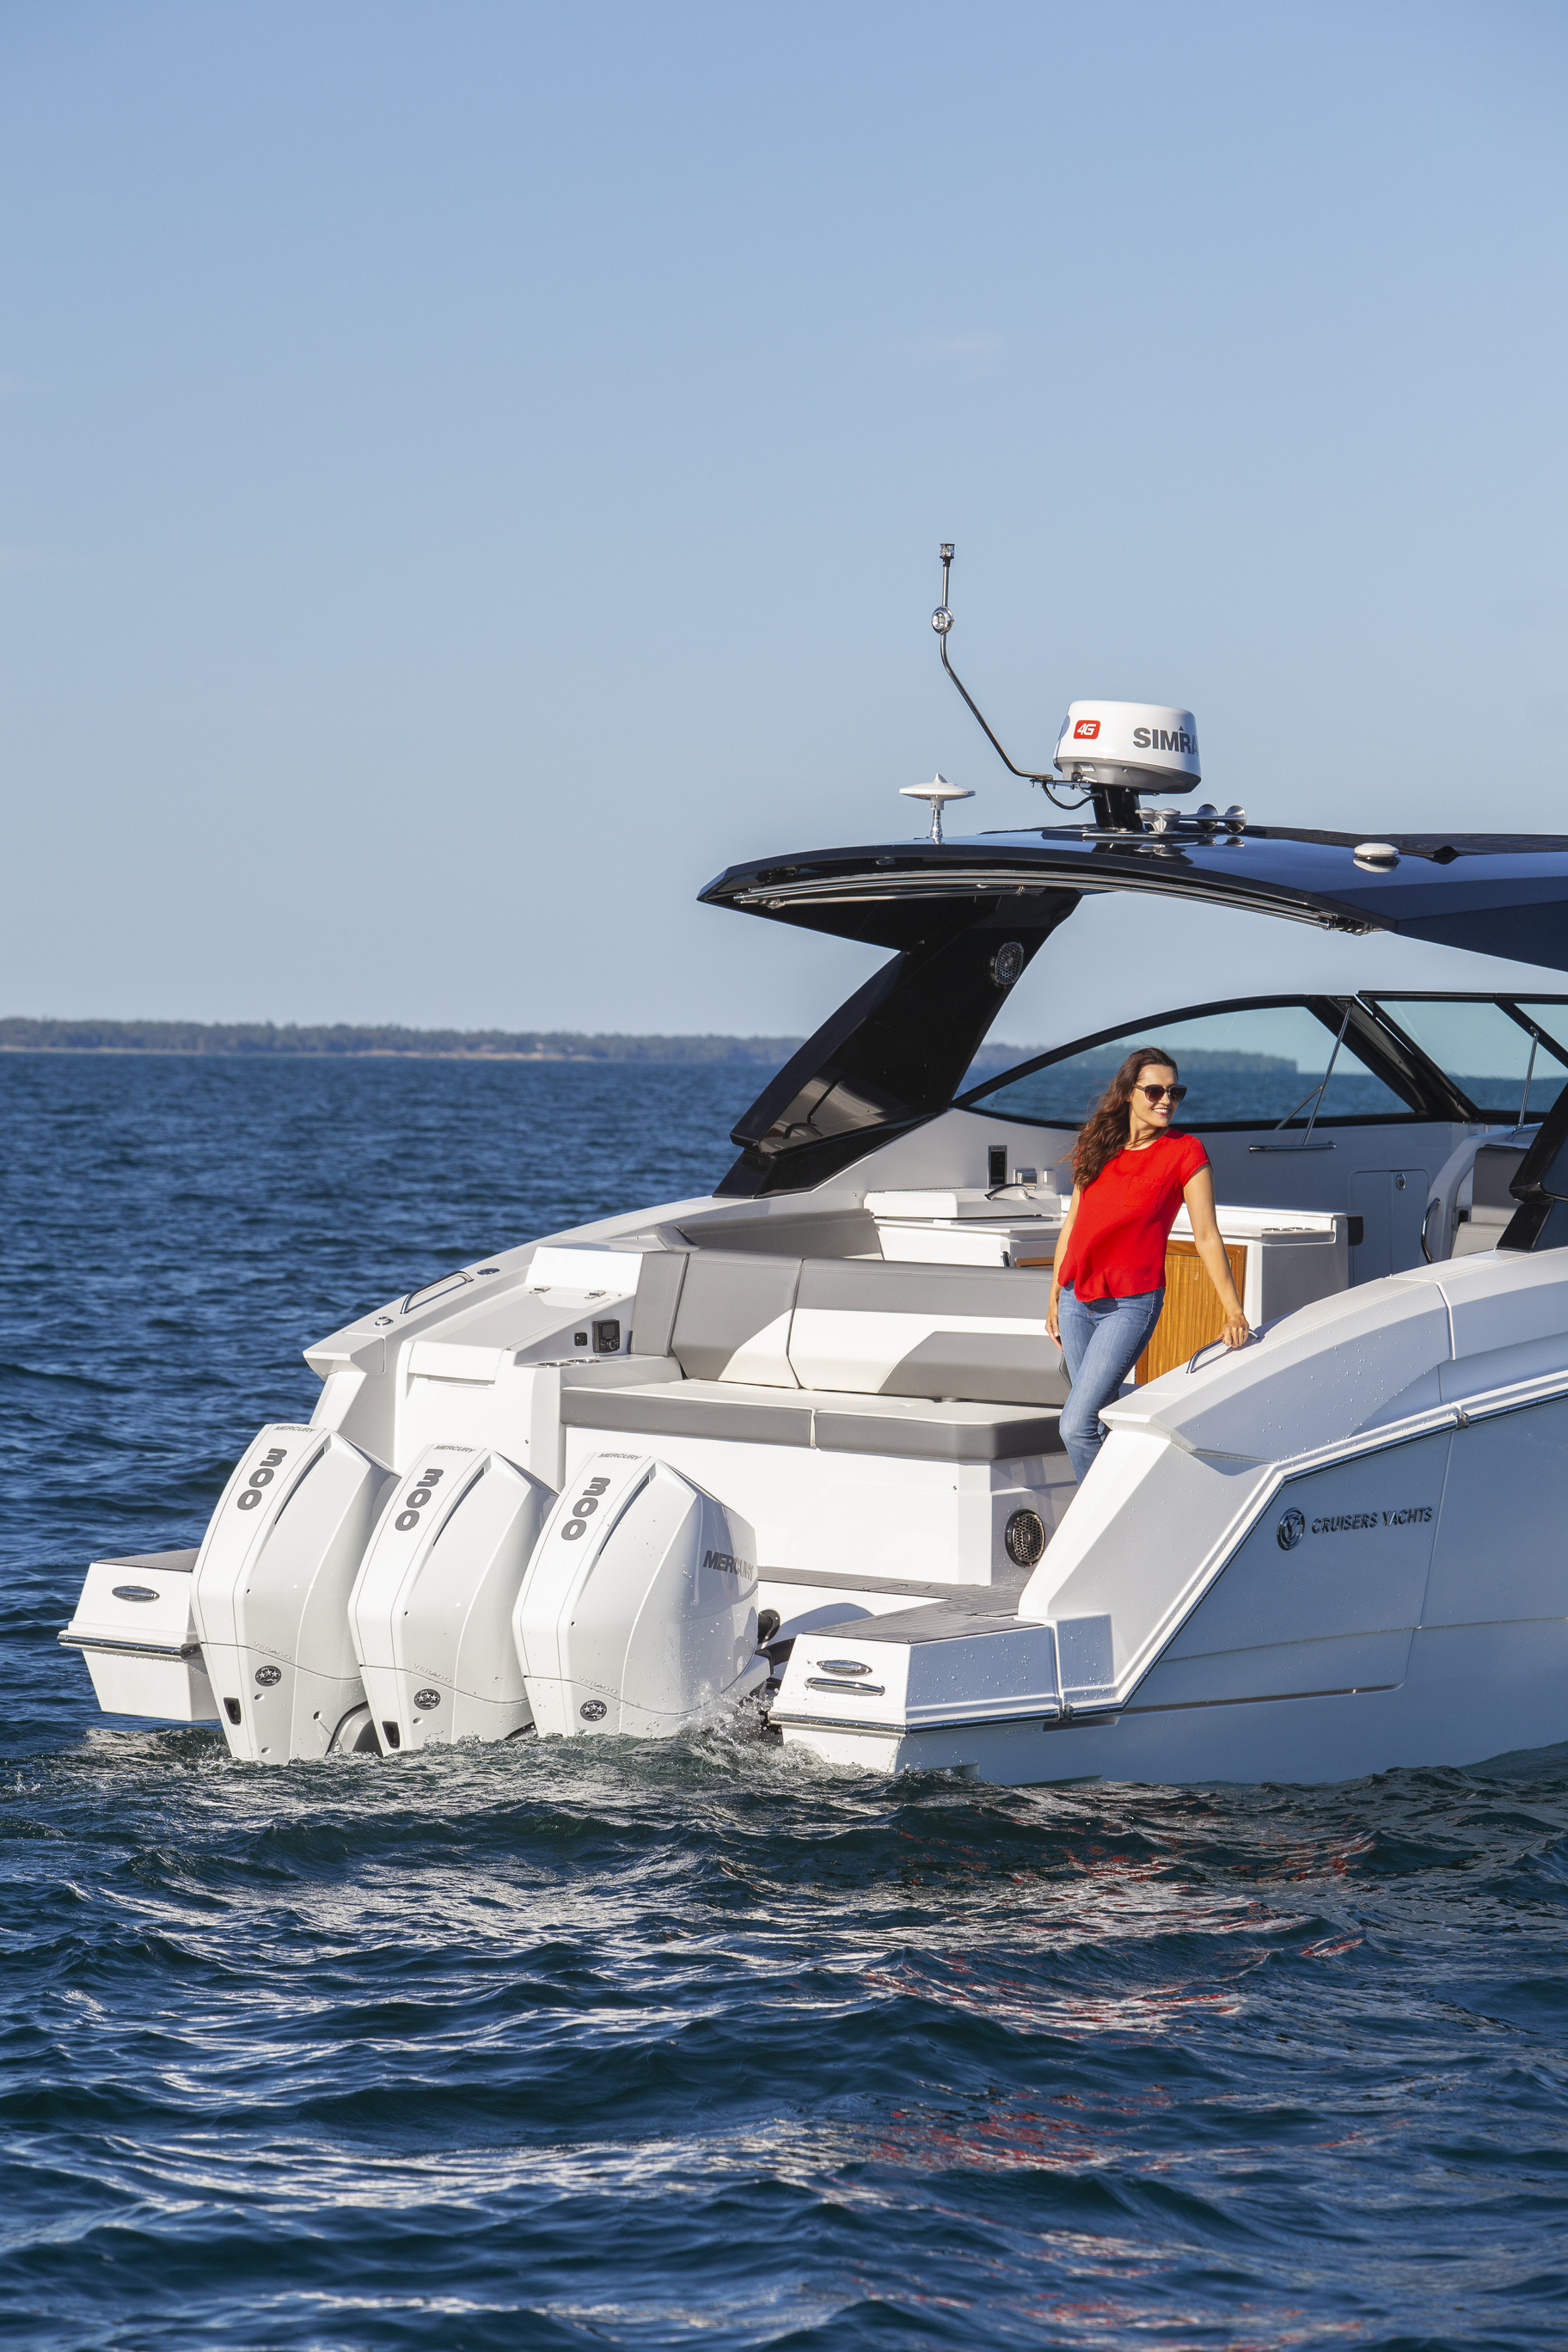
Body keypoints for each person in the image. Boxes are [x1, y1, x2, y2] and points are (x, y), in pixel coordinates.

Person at [1045, 1047, 1249, 1484]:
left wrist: (1233, 1311)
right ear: (1129, 1093)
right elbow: (1074, 1223)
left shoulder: (1185, 1151)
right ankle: (1133, 1508)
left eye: (1175, 1092)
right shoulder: (1096, 1143)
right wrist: (1054, 1296)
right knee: (1098, 1420)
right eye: (1155, 1091)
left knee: (1076, 1426)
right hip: (1075, 1299)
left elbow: (1207, 1236)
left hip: (1130, 1304)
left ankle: (1104, 1518)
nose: (1166, 1100)